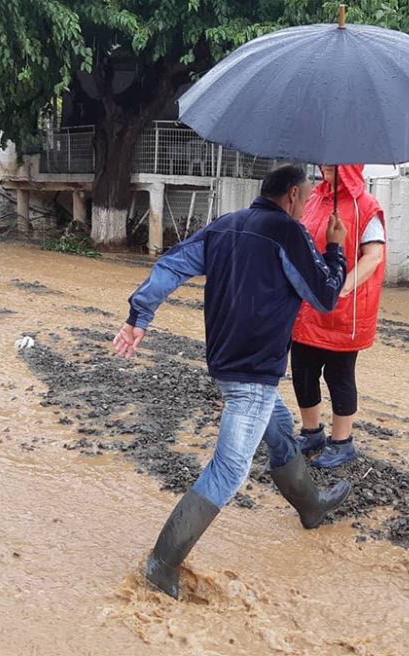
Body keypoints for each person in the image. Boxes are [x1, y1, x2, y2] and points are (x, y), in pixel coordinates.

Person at [113, 164, 355, 600]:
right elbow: (325, 297)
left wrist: (139, 316)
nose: (306, 205)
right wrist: (335, 249)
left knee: (279, 431)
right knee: (228, 470)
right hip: (253, 373)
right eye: (306, 197)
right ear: (293, 195)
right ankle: (161, 565)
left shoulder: (224, 226)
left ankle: (310, 505)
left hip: (226, 364)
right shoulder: (289, 233)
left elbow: (171, 266)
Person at [290, 165, 386, 468]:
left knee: (339, 375)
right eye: (326, 161)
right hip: (308, 303)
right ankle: (311, 432)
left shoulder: (366, 206)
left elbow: (374, 256)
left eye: (337, 162)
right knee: (303, 371)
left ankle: (342, 442)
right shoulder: (314, 199)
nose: (328, 166)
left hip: (344, 307)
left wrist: (343, 288)